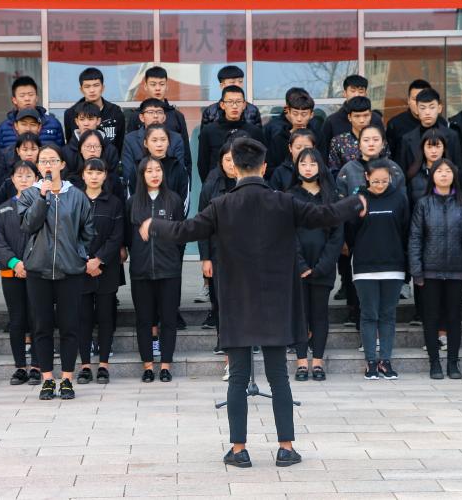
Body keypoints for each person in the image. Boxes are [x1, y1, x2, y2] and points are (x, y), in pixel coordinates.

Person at [139, 138, 367, 469]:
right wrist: (356, 202)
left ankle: (239, 450)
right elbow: (325, 215)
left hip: (237, 303)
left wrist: (154, 225)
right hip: (276, 303)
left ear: (234, 167)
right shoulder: (284, 201)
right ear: (264, 167)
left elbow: (186, 230)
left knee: (237, 378)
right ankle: (286, 448)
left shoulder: (221, 205)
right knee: (279, 377)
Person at [19, 145, 96, 401]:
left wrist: (79, 254)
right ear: (38, 166)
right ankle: (47, 380)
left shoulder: (77, 196)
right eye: (43, 161)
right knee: (41, 326)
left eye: (53, 160)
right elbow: (28, 225)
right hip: (38, 269)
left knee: (69, 327)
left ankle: (67, 379)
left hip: (70, 270)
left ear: (62, 164)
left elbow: (88, 230)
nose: (48, 165)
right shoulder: (30, 194)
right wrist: (42, 196)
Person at [408, 158, 462, 381]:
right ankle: (435, 362)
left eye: (448, 171)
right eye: (440, 171)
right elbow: (415, 239)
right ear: (433, 176)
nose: (444, 174)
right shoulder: (423, 204)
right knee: (431, 317)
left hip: (456, 271)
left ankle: (453, 362)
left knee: (454, 317)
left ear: (454, 175)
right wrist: (416, 271)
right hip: (429, 271)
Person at [334, 124, 406, 324]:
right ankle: (355, 317)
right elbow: (339, 207)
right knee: (356, 283)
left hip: (387, 238)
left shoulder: (394, 169)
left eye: (376, 139)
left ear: (383, 143)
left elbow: (402, 206)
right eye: (366, 140)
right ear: (359, 144)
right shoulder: (348, 170)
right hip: (355, 236)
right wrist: (342, 238)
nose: (371, 144)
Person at [348, 159, 410, 381]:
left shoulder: (399, 198)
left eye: (385, 181)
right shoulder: (358, 199)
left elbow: (405, 230)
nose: (380, 185)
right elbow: (350, 232)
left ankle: (385, 360)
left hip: (393, 266)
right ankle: (371, 361)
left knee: (387, 315)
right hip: (365, 267)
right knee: (369, 314)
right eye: (375, 181)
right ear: (366, 177)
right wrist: (359, 216)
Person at [127, 157, 187, 383]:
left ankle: (165, 366)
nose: (154, 174)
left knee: (169, 319)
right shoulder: (132, 202)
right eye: (149, 171)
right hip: (141, 271)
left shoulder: (174, 200)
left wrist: (173, 257)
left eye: (158, 170)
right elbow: (127, 237)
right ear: (142, 175)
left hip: (169, 271)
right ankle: (148, 366)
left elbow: (181, 233)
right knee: (144, 320)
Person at [288, 148, 343, 382]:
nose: (308, 168)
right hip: (297, 268)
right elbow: (287, 233)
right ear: (297, 167)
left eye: (312, 163)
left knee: (320, 315)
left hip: (323, 268)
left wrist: (322, 266)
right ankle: (301, 362)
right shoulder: (289, 196)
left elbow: (337, 236)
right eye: (303, 164)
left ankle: (318, 362)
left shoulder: (331, 196)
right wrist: (300, 264)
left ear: (320, 166)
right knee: (300, 315)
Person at [0, 160, 41, 386]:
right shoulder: (2, 209)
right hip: (11, 273)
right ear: (12, 179)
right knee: (17, 319)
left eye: (28, 175)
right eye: (19, 176)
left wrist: (30, 264)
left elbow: (46, 237)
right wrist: (14, 263)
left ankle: (38, 365)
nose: (24, 180)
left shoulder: (43, 205)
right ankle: (20, 366)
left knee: (38, 319)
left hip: (37, 272)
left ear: (36, 179)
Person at [77, 158, 125, 386]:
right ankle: (85, 365)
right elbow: (69, 233)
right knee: (83, 319)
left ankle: (104, 364)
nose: (94, 176)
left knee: (106, 318)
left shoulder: (114, 203)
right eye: (90, 172)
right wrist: (86, 262)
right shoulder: (75, 200)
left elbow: (117, 236)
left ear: (105, 175)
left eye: (99, 172)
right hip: (80, 269)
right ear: (83, 175)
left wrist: (99, 260)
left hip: (107, 268)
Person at [198, 137, 242, 348]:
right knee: (220, 300)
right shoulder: (211, 186)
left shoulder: (252, 185)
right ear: (221, 162)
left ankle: (249, 339)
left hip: (246, 255)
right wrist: (205, 258)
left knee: (246, 299)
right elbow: (202, 226)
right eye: (227, 159)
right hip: (218, 254)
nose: (232, 164)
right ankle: (223, 339)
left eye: (236, 159)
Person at [125, 66, 191, 170]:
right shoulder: (136, 115)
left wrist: (187, 175)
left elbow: (186, 153)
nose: (157, 88)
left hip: (171, 172)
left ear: (167, 86)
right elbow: (130, 146)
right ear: (145, 86)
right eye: (153, 84)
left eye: (161, 84)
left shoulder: (177, 115)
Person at [197, 85, 266, 182]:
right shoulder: (209, 131)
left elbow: (262, 160)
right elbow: (203, 164)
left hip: (247, 184)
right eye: (230, 102)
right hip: (217, 185)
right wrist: (210, 184)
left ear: (244, 105)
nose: (234, 106)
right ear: (222, 105)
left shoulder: (255, 132)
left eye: (238, 102)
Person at [122, 98, 189, 188]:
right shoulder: (130, 139)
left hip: (170, 190)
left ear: (164, 117)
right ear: (142, 117)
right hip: (140, 190)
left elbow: (178, 171)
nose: (155, 116)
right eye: (150, 112)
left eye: (159, 112)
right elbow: (128, 172)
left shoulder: (176, 138)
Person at [396, 88, 462, 175]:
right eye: (423, 108)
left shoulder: (452, 136)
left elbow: (459, 169)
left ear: (439, 108)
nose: (427, 112)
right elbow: (403, 172)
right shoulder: (407, 139)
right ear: (417, 109)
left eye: (432, 107)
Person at [63, 67, 127, 154]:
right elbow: (71, 145)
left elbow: (120, 144)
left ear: (103, 88)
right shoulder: (71, 113)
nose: (92, 90)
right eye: (87, 86)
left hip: (109, 160)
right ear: (81, 90)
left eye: (96, 85)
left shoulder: (116, 112)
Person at [319, 75, 383, 155]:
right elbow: (323, 152)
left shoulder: (375, 119)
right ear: (345, 93)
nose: (356, 95)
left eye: (361, 91)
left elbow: (383, 149)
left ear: (366, 93)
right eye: (353, 91)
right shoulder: (332, 121)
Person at [0, 76, 65, 149]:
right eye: (22, 95)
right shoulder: (4, 127)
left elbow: (61, 152)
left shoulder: (53, 124)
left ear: (37, 98)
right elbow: (1, 154)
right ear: (14, 100)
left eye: (31, 95)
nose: (27, 99)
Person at [265, 88, 319, 178]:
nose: (299, 119)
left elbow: (323, 165)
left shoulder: (317, 135)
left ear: (311, 115)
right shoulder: (279, 138)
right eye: (295, 113)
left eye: (304, 114)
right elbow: (270, 169)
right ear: (288, 112)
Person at [65, 129, 127, 204]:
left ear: (102, 149)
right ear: (80, 149)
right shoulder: (71, 181)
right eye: (88, 146)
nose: (92, 150)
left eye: (96, 146)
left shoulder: (113, 180)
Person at [64, 102, 122, 177]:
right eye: (82, 119)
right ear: (76, 121)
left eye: (90, 119)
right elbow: (66, 178)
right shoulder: (67, 151)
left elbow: (113, 178)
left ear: (98, 121)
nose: (86, 123)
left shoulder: (110, 150)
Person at [385, 79, 435, 163]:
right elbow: (390, 157)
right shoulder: (395, 124)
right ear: (408, 100)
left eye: (423, 99)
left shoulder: (441, 123)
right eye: (415, 99)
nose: (419, 103)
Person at [0, 108, 43, 194]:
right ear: (16, 126)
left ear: (39, 127)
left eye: (33, 124)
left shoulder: (47, 153)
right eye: (24, 124)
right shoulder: (6, 154)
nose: (28, 128)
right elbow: (0, 185)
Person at [327, 96, 377, 173]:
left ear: (370, 115)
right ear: (349, 117)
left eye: (365, 115)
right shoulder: (338, 141)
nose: (362, 120)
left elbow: (388, 166)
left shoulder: (378, 140)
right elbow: (333, 171)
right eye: (357, 116)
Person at [406, 129, 448, 210]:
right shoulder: (413, 174)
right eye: (429, 147)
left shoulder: (452, 173)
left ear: (444, 148)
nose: (434, 151)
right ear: (423, 149)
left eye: (438, 146)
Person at [0, 131, 41, 204]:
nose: (29, 154)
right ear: (18, 151)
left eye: (33, 149)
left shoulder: (45, 177)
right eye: (25, 149)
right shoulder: (8, 181)